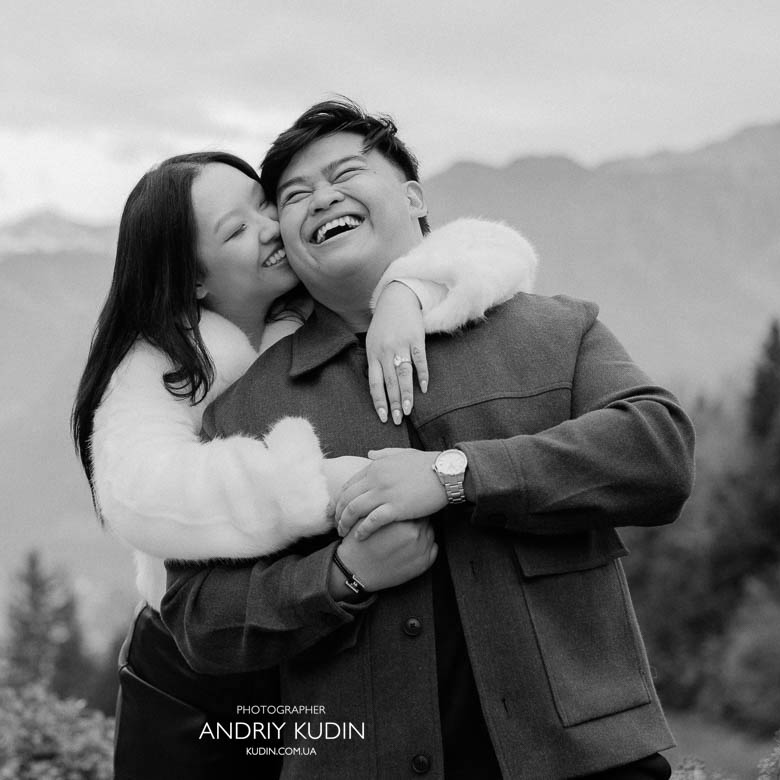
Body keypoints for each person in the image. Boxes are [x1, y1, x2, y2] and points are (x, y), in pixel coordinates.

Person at [160, 100, 696, 779]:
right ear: (288, 245)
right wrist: (337, 576)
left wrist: (454, 475)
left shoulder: (554, 330)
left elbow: (659, 451)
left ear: (414, 196)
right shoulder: (246, 411)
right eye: (293, 195)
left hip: (592, 766)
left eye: (345, 172)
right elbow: (197, 617)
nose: (321, 197)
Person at [71, 150, 538, 778]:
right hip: (200, 670)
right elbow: (142, 493)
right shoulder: (161, 364)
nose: (269, 228)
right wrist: (332, 484)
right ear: (193, 281)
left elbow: (493, 251)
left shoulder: (312, 304)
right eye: (235, 231)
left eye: (264, 204)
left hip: (320, 649)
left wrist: (407, 289)